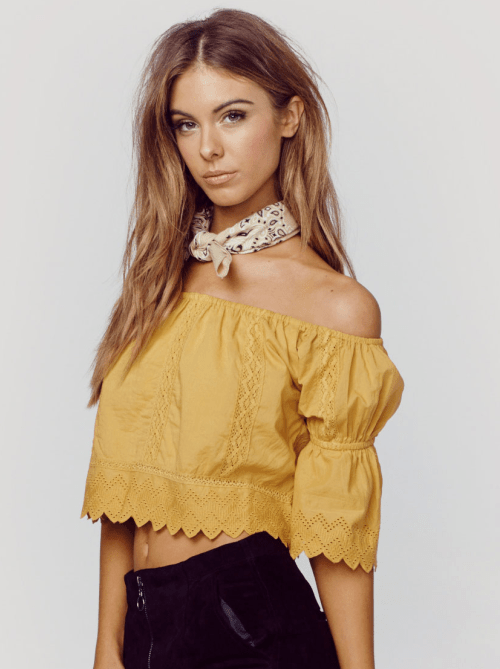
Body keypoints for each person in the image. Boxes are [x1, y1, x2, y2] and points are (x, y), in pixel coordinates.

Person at [80, 8, 405, 669]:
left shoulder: (334, 308)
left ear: (289, 117)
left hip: (251, 633)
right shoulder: (157, 285)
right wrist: (107, 645)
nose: (208, 148)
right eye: (186, 123)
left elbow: (338, 527)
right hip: (145, 629)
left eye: (232, 115)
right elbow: (125, 492)